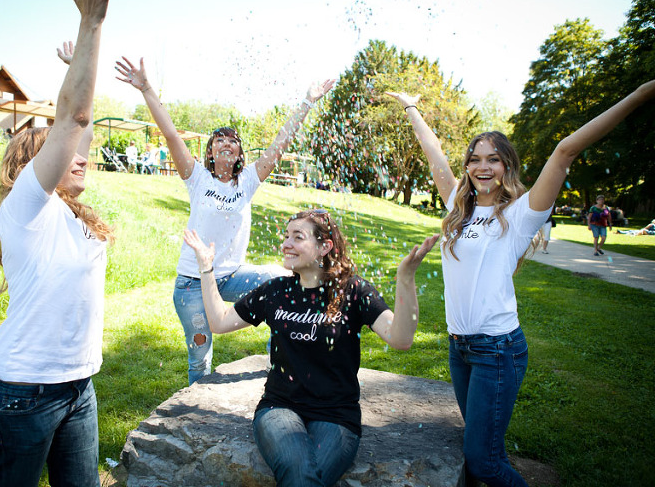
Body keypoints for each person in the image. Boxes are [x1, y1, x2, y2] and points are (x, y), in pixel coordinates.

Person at [386, 79, 655, 487]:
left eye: (493, 160)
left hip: (497, 350)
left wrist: (638, 95)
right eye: (475, 159)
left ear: (507, 166)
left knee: (483, 463)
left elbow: (565, 150)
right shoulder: (458, 206)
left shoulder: (522, 214)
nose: (482, 167)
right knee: (485, 450)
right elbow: (433, 151)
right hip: (460, 348)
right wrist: (411, 108)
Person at [0, 0, 120, 486]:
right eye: (66, 151)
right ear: (36, 165)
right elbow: (74, 118)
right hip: (22, 394)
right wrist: (91, 24)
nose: (82, 156)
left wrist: (75, 67)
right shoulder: (27, 208)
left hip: (78, 388)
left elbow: (82, 125)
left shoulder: (72, 215)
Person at [115, 55, 335, 384]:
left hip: (231, 276)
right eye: (220, 139)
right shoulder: (197, 178)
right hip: (192, 283)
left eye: (233, 140)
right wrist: (146, 88)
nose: (227, 143)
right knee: (200, 355)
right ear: (210, 151)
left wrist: (307, 101)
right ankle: (195, 408)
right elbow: (171, 135)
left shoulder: (247, 181)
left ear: (239, 153)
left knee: (285, 284)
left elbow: (279, 145)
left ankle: (281, 363)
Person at [183, 209, 439, 487]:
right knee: (299, 469)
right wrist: (206, 268)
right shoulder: (275, 291)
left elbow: (401, 338)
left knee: (303, 477)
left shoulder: (353, 292)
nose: (286, 244)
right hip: (279, 408)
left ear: (324, 246)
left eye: (298, 237)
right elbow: (220, 322)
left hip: (337, 415)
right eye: (286, 236)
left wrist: (406, 278)